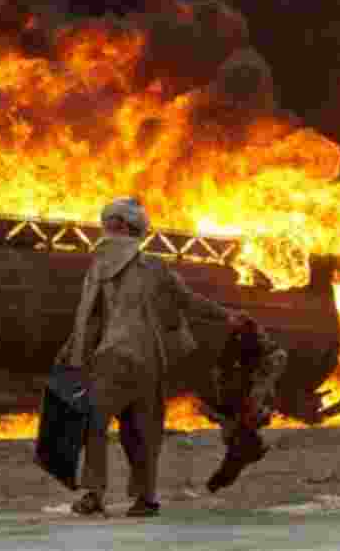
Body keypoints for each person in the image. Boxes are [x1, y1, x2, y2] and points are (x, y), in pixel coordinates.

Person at [56, 197, 251, 517]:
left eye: (110, 223)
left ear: (121, 227)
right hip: (148, 361)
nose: (105, 228)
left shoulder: (104, 266)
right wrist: (225, 315)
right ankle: (145, 499)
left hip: (115, 358)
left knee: (95, 423)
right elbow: (186, 301)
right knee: (143, 431)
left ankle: (94, 493)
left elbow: (91, 318)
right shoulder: (149, 267)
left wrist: (71, 353)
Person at [205, 318, 287, 492]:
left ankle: (221, 478)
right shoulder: (242, 411)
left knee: (237, 440)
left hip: (244, 393)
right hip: (244, 392)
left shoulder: (240, 413)